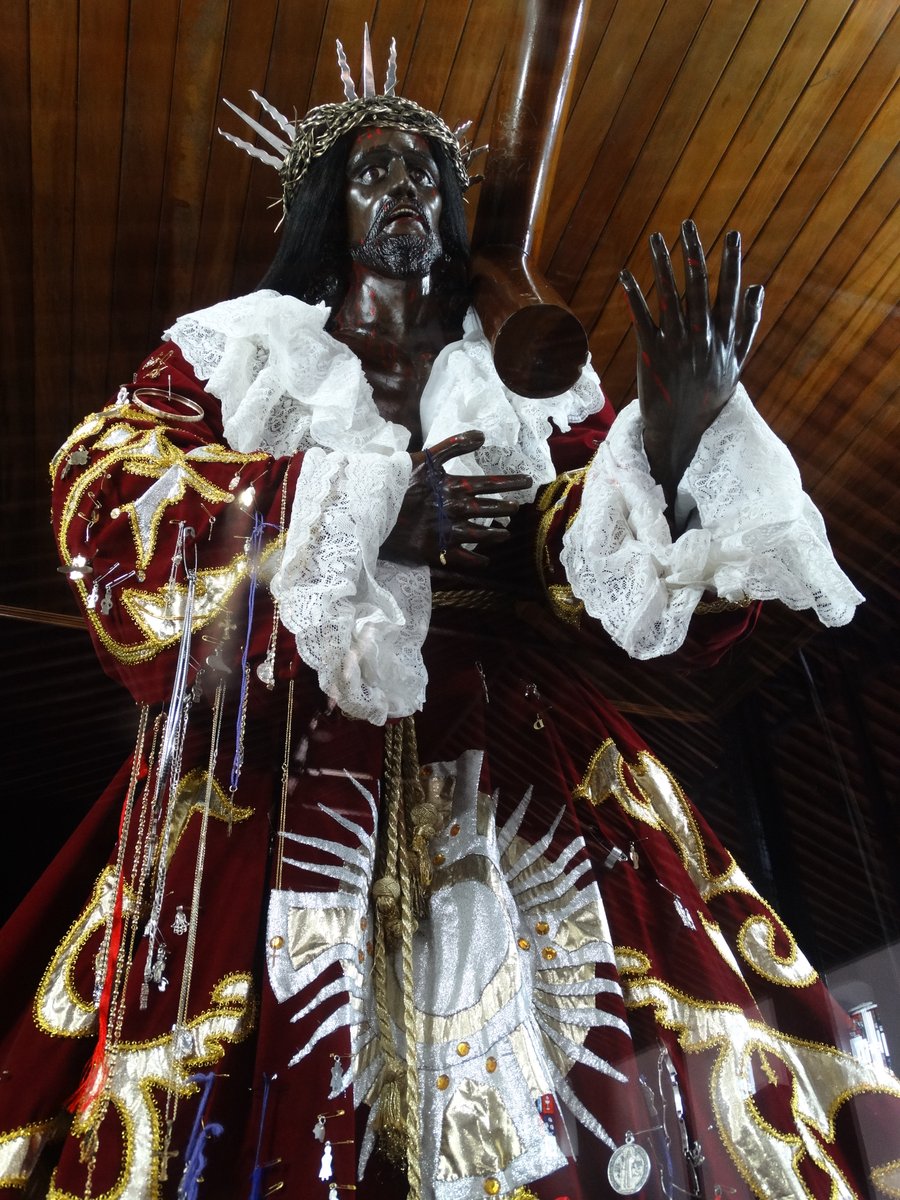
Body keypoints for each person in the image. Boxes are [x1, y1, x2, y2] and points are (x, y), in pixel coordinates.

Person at [1, 35, 897, 1200]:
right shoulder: (242, 349)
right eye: (376, 172)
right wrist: (351, 515)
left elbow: (586, 561)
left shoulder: (534, 381)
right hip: (284, 738)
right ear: (332, 207)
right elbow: (106, 487)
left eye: (428, 172)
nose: (407, 191)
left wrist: (671, 445)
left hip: (524, 744)